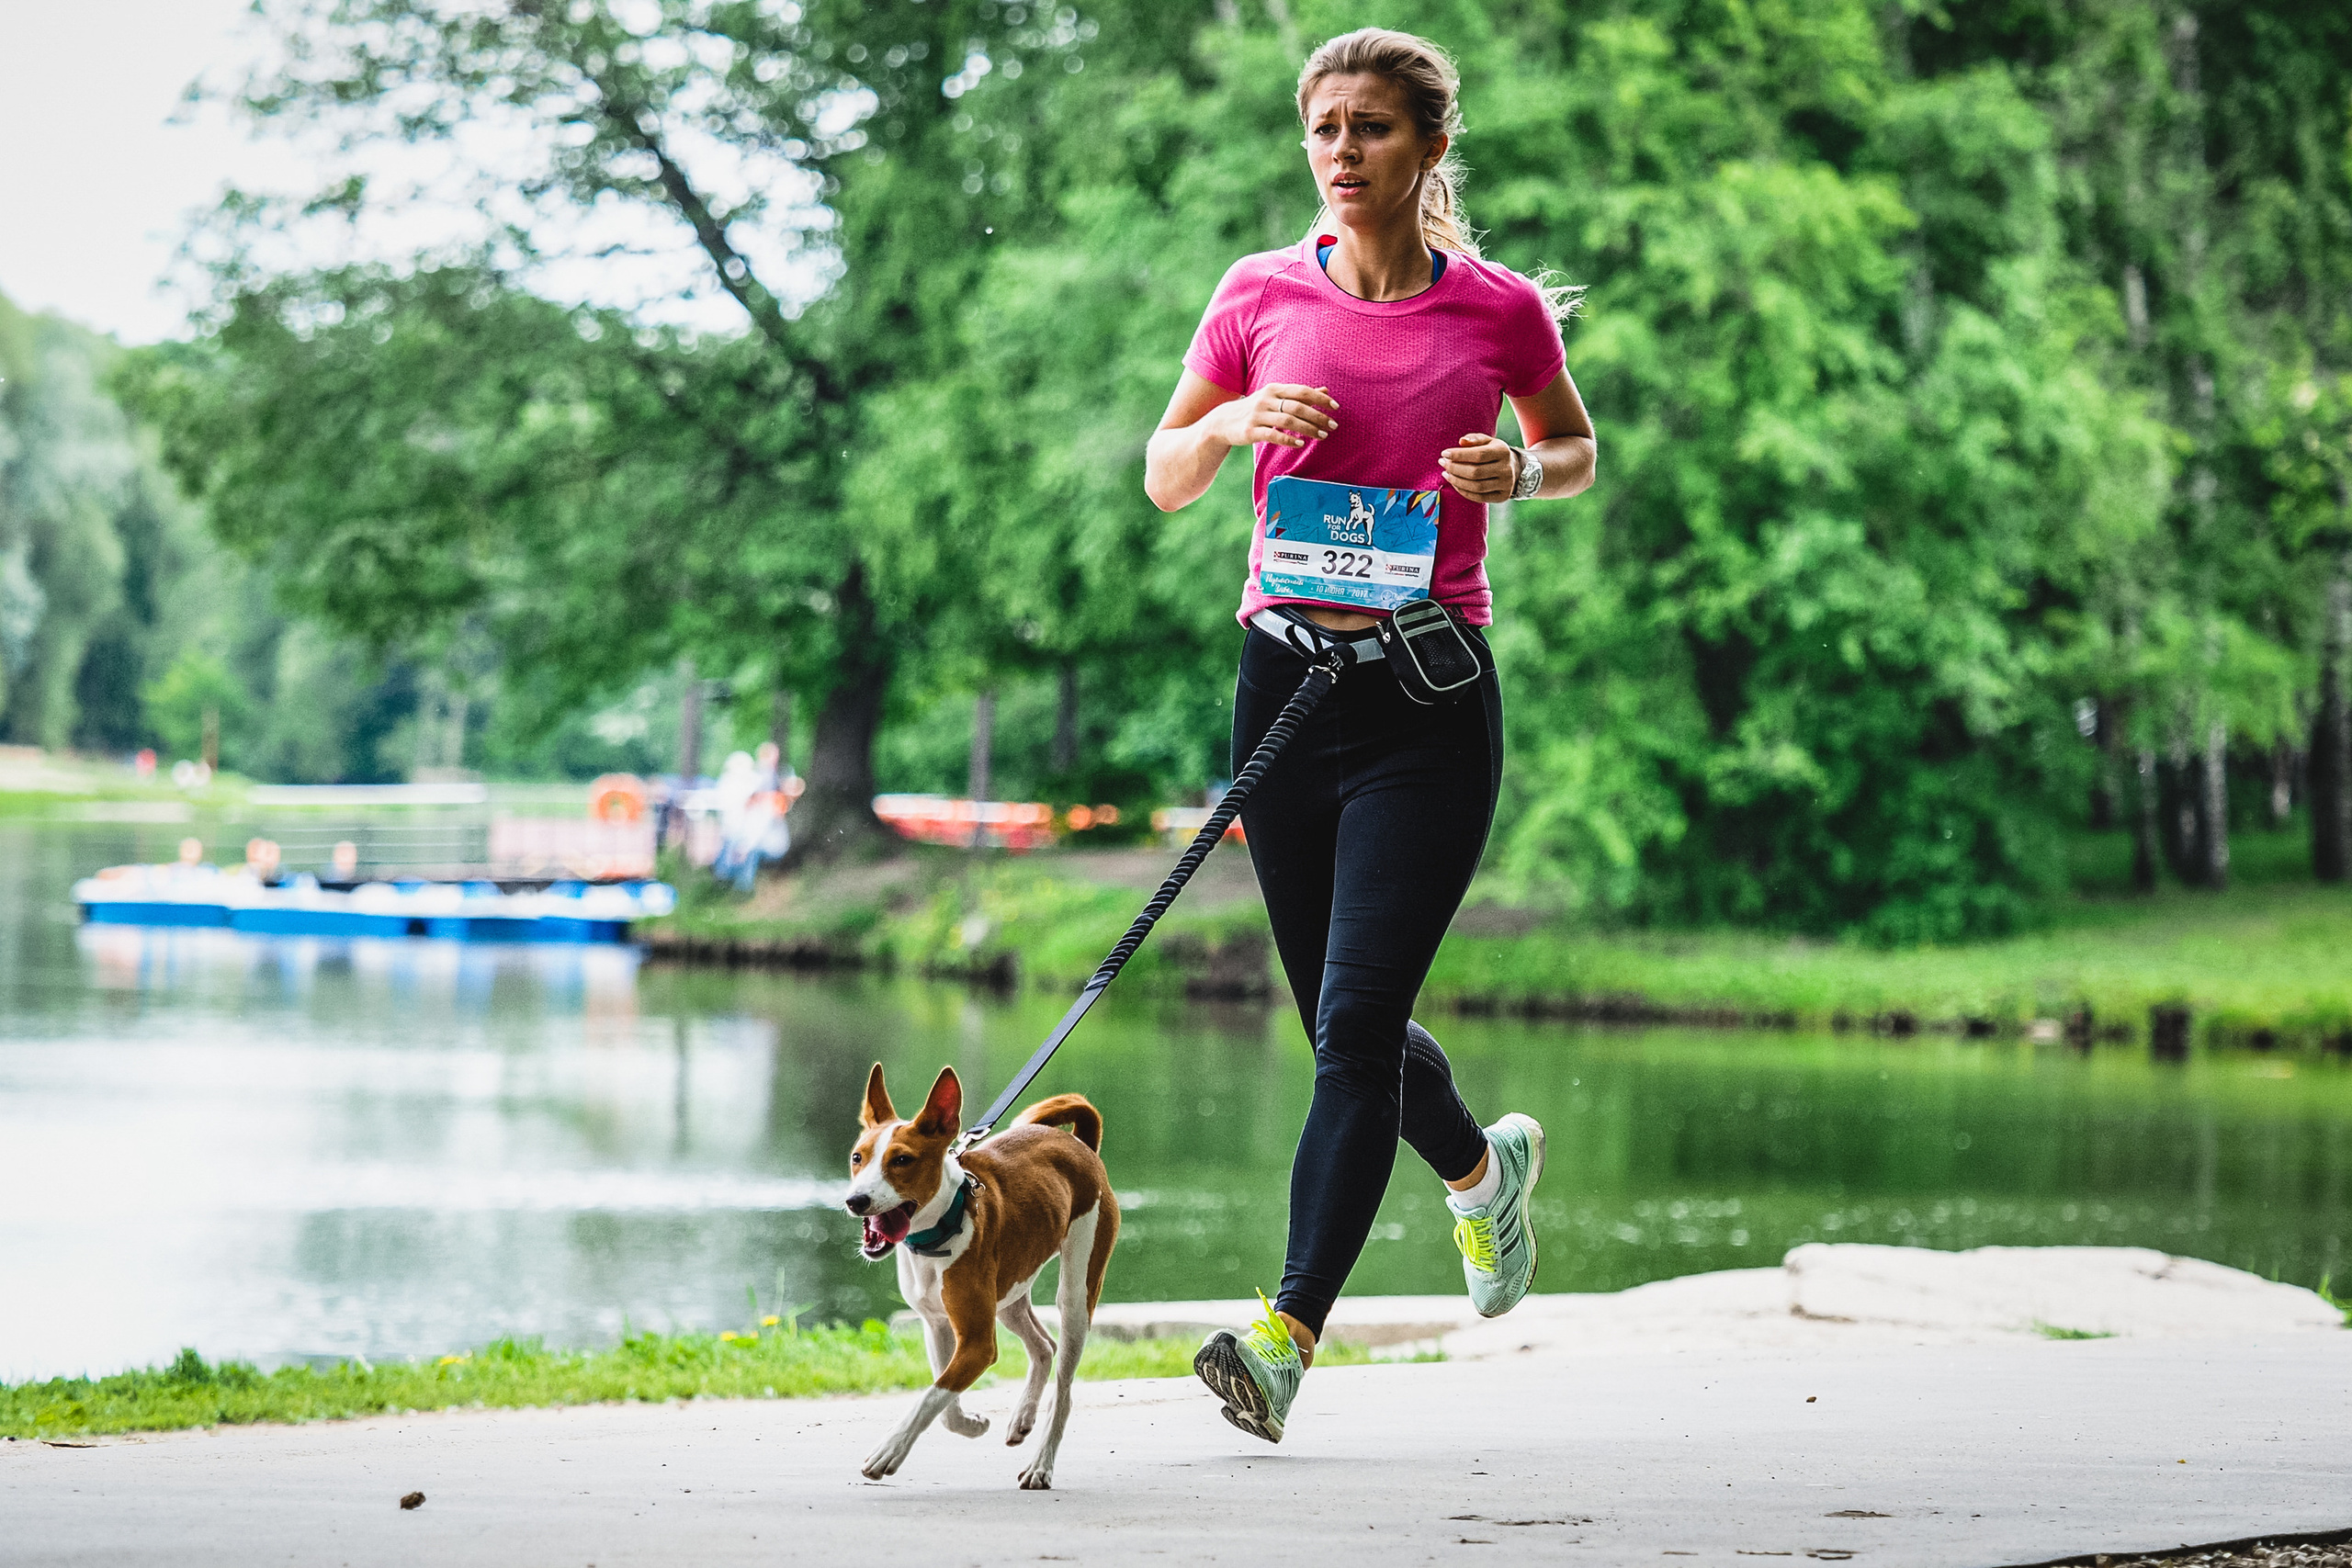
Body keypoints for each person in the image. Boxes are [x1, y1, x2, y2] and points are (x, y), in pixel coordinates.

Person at [1142, 27, 1596, 1444]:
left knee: (1348, 1029)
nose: (1344, 153)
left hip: (1427, 701)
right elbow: (1163, 473)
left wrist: (1517, 470)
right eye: (1326, 130)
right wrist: (1225, 435)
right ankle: (1478, 1171)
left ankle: (1283, 1339)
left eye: (1374, 130)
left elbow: (1574, 444)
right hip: (1284, 692)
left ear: (1431, 148)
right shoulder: (1257, 292)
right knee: (1347, 1019)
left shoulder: (1501, 311)